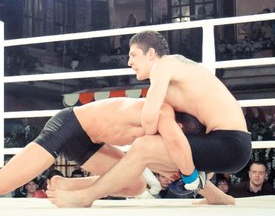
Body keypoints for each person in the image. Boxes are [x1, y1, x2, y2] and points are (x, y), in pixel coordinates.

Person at [0, 97, 232, 208]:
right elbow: (181, 161)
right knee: (1, 181)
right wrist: (201, 184)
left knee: (135, 185)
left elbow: (174, 166)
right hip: (68, 125)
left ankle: (64, 184)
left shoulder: (162, 132)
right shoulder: (161, 116)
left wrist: (217, 197)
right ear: (181, 127)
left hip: (89, 140)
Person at [46, 30, 251, 207]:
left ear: (151, 54)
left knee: (145, 146)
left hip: (229, 144)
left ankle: (86, 196)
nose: (129, 62)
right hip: (230, 145)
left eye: (133, 55)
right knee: (165, 144)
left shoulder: (164, 65)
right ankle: (217, 197)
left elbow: (149, 121)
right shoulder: (178, 75)